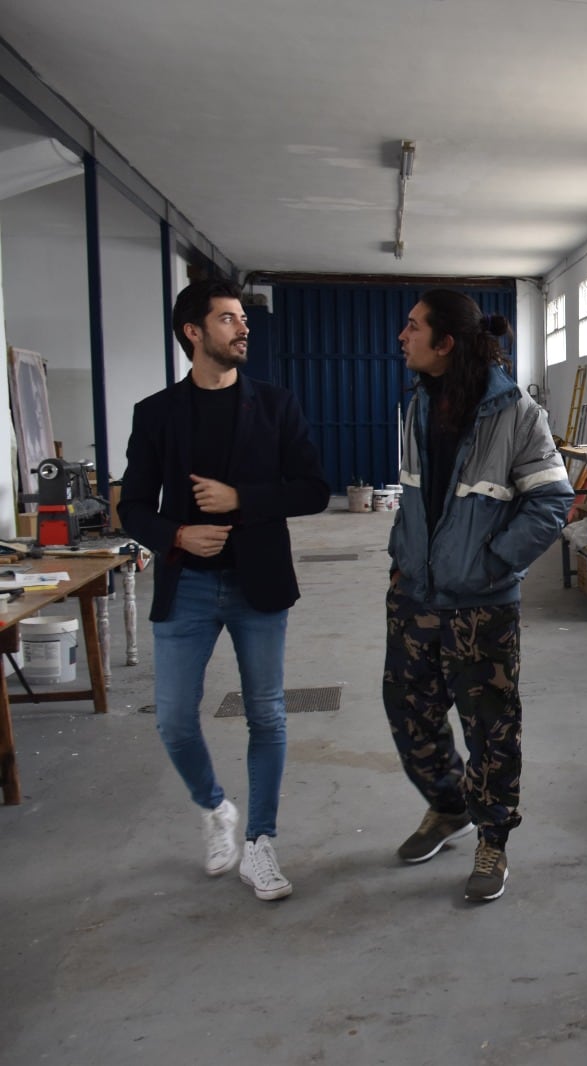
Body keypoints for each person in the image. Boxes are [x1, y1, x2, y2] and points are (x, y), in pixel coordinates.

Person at [120, 278, 330, 901]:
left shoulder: (275, 404)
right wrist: (179, 533)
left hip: (258, 582)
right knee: (176, 720)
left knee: (266, 714)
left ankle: (261, 845)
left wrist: (243, 500)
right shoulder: (155, 413)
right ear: (193, 332)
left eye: (243, 319)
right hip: (186, 586)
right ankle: (215, 808)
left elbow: (313, 489)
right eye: (228, 319)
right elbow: (131, 508)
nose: (243, 328)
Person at [384, 289, 572, 902]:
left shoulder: (516, 413)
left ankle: (493, 837)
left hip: (480, 604)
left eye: (414, 328)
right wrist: (401, 561)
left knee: (490, 727)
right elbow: (414, 495)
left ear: (446, 343)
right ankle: (448, 805)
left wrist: (493, 562)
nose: (403, 336)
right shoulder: (415, 404)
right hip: (415, 594)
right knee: (408, 713)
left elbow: (551, 501)